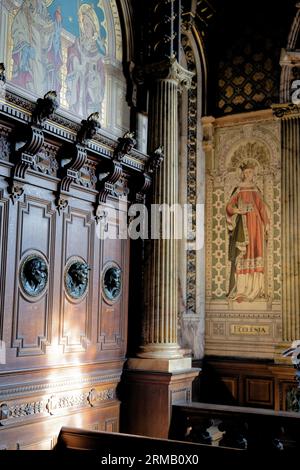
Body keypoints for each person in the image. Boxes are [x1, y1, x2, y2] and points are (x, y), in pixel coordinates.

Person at [226, 162, 270, 302]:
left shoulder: (255, 189)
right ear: (243, 174)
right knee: (243, 255)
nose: (248, 175)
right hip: (243, 226)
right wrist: (238, 210)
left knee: (256, 254)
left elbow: (262, 208)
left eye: (250, 172)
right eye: (246, 173)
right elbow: (229, 206)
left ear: (253, 173)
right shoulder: (238, 189)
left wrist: (267, 224)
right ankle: (241, 291)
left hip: (256, 225)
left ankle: (255, 290)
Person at [66, 3, 106, 117]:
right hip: (78, 83)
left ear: (94, 27)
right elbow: (72, 53)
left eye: (88, 25)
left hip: (89, 89)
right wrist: (76, 63)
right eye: (84, 24)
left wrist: (94, 77)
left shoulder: (97, 53)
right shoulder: (78, 43)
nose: (85, 27)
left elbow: (101, 76)